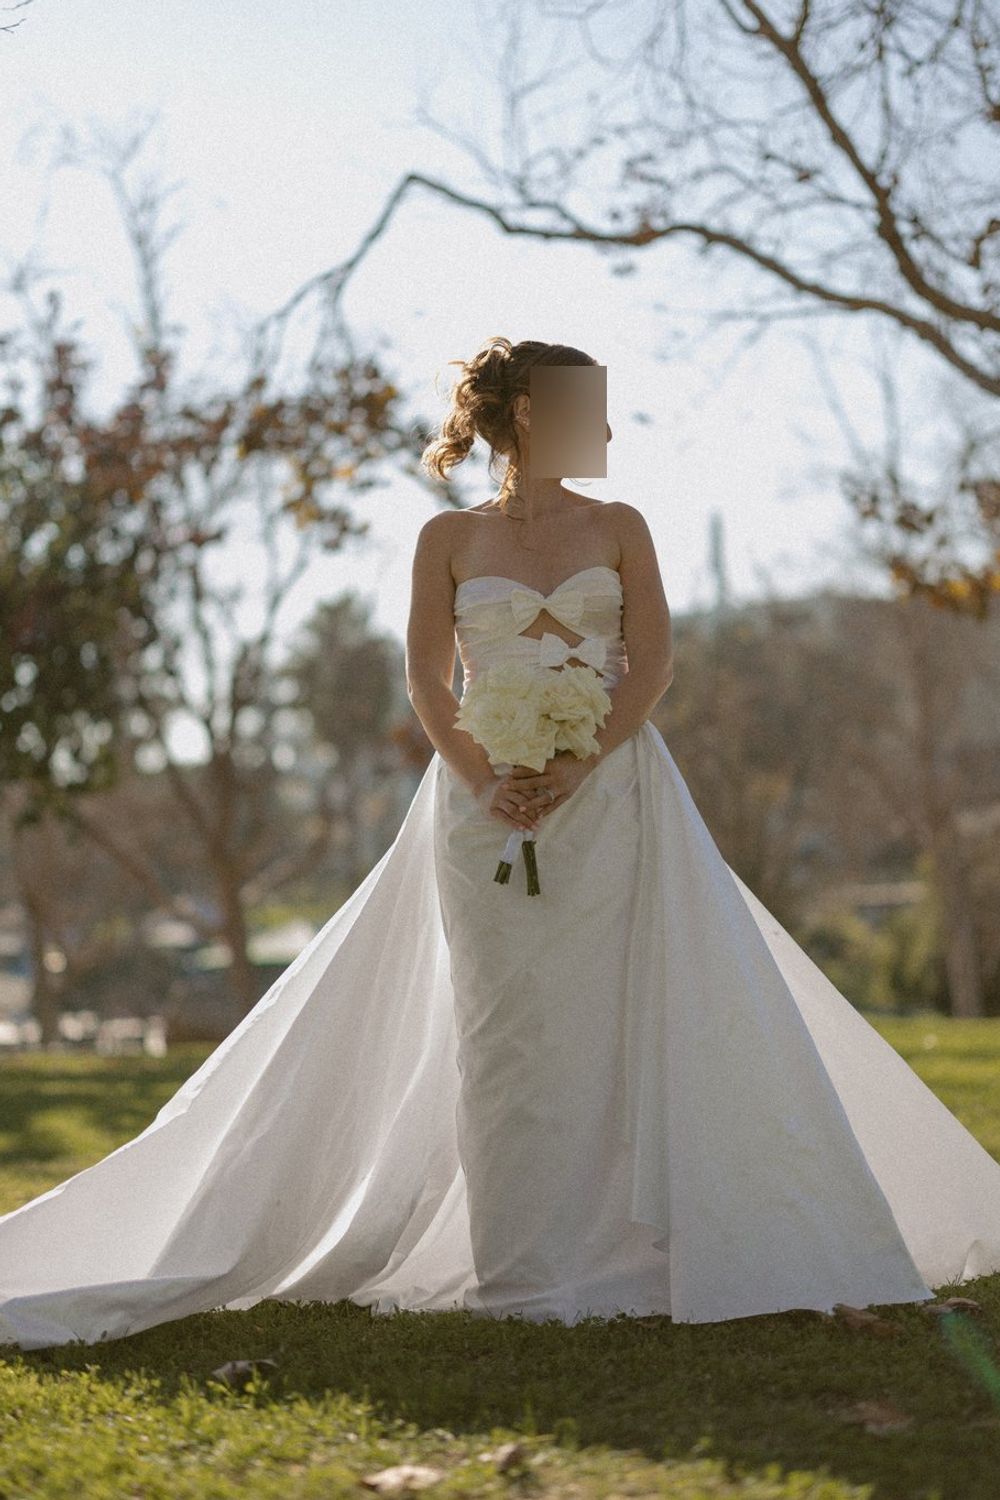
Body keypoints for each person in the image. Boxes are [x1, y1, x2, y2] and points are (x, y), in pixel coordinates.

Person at [1, 337, 999, 1353]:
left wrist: (578, 762)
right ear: (528, 411)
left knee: (613, 1011)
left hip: (613, 800)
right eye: (586, 407)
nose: (603, 428)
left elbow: (652, 665)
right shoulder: (447, 538)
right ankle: (521, 1265)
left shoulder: (621, 526)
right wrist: (486, 777)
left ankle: (628, 1246)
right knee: (505, 1030)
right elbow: (427, 681)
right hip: (479, 806)